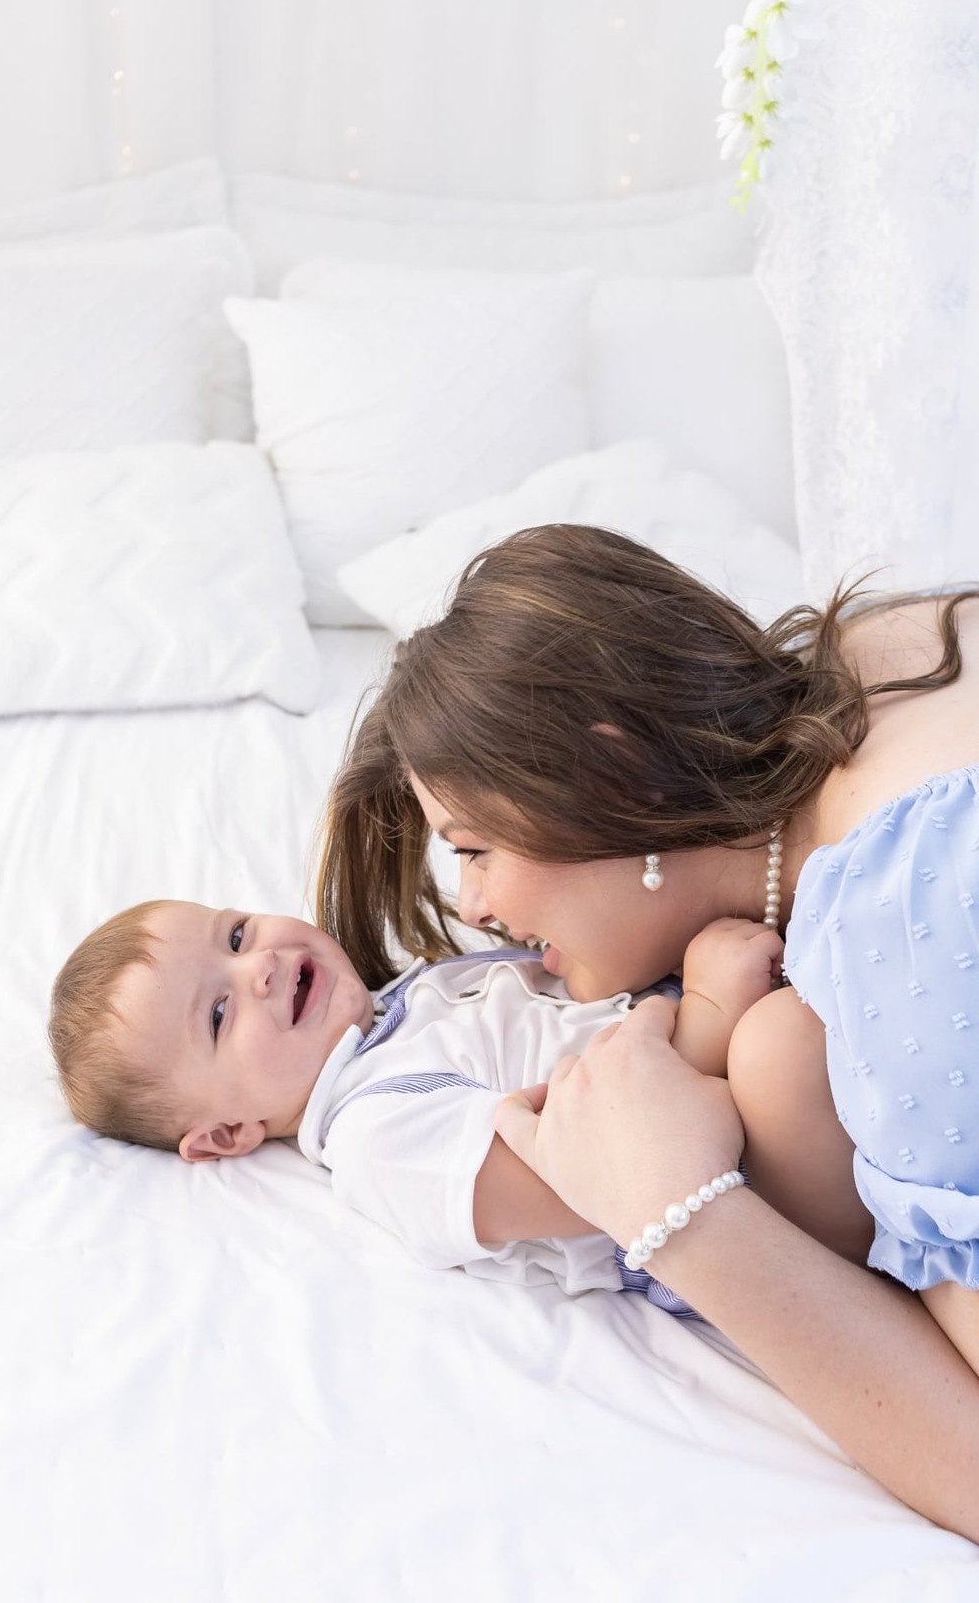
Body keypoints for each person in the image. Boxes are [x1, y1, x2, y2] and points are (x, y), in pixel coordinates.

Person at [315, 522, 979, 1538]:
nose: (474, 907)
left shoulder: (894, 913)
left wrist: (678, 1212)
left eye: (475, 847)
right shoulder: (890, 653)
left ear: (612, 773)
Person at [47, 898, 849, 1303]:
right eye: (218, 1015)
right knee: (786, 1046)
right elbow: (599, 1175)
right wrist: (709, 1013)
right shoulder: (379, 1134)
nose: (255, 967)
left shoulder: (408, 1000)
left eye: (234, 934)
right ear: (225, 1133)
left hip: (736, 1058)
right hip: (742, 1202)